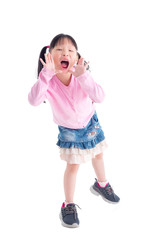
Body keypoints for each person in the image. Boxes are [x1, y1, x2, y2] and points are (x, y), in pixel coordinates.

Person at [28, 33, 120, 228]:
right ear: (50, 56)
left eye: (70, 50)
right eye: (59, 50)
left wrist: (84, 76)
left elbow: (100, 97)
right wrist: (45, 74)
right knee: (73, 167)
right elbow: (34, 100)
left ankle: (101, 184)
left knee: (98, 155)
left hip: (90, 123)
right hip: (69, 131)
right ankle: (68, 205)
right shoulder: (48, 82)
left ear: (77, 57)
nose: (65, 53)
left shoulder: (81, 75)